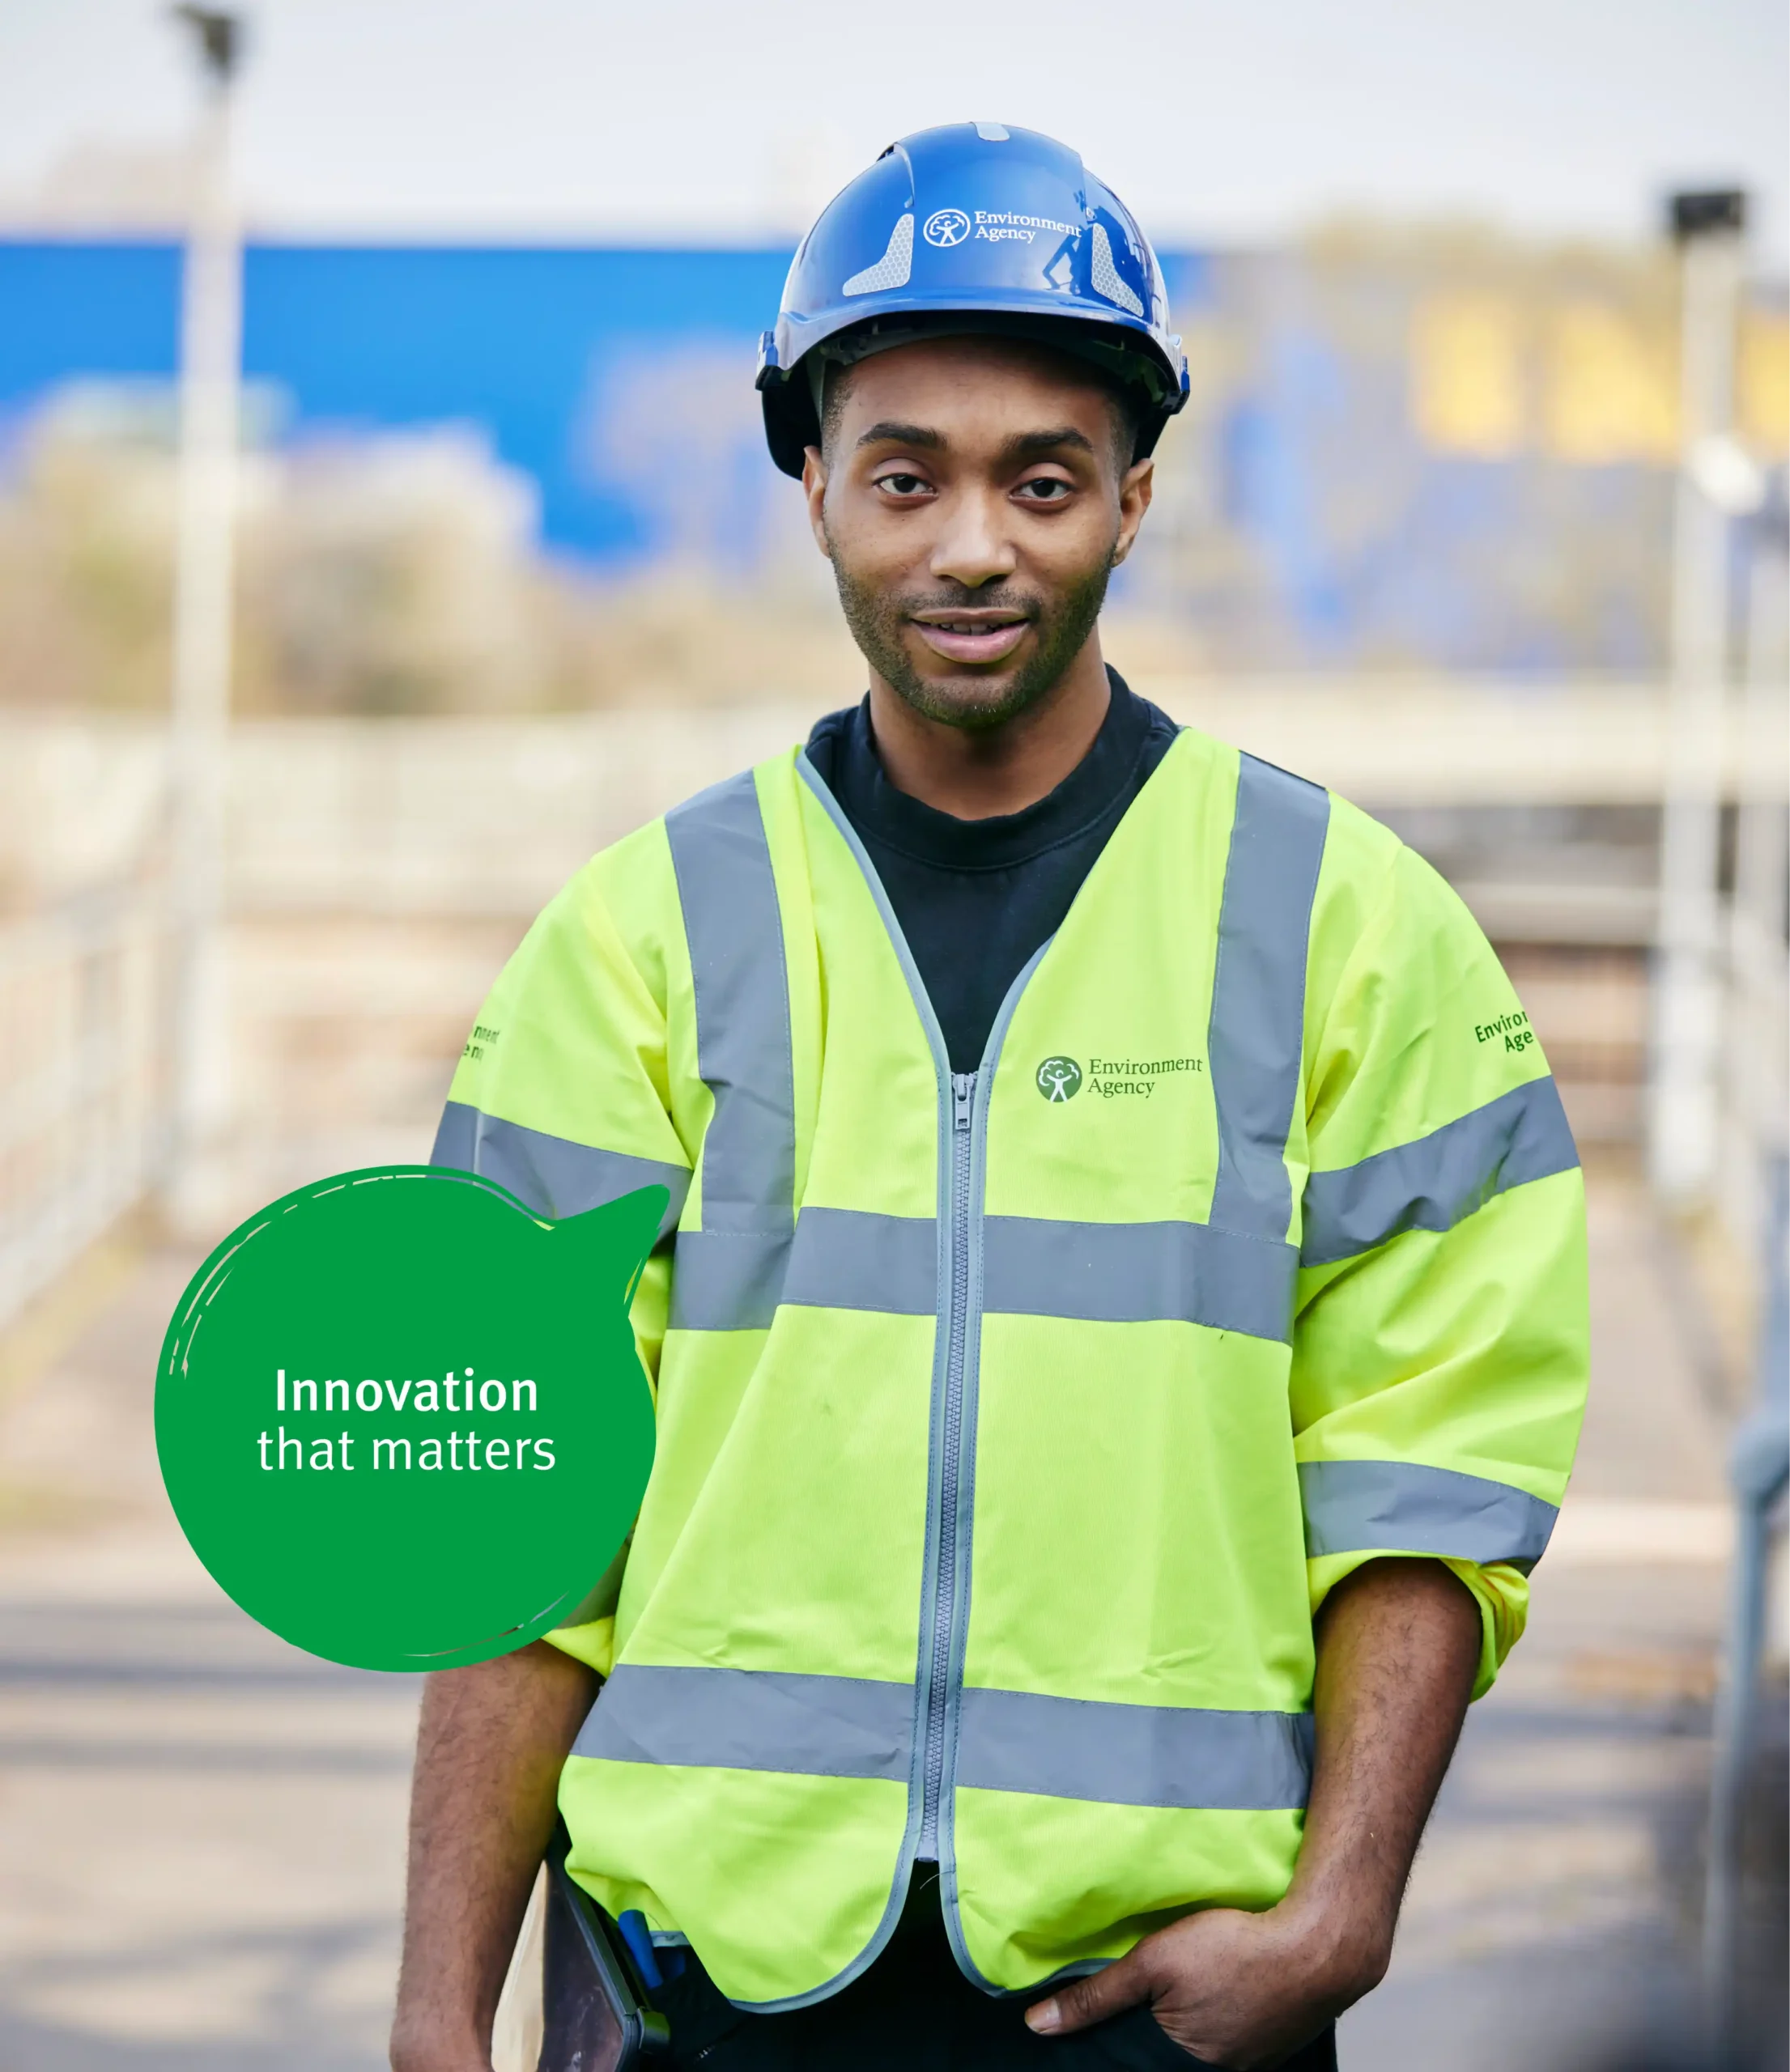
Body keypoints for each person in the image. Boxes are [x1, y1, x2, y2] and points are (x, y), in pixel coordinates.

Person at [390, 124, 1588, 2072]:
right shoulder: (643, 935)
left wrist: (1338, 1921)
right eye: (904, 476)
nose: (970, 543)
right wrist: (439, 2007)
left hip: (1159, 2004)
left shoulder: (1348, 927)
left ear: (1132, 493)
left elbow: (1428, 1474)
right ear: (813, 489)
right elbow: (513, 1504)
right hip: (704, 1995)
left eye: (1039, 479)